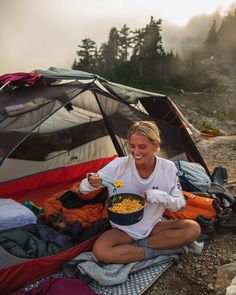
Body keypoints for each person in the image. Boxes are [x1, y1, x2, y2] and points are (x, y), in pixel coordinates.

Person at [79, 121, 201, 264]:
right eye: (132, 146)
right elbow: (83, 188)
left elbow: (180, 205)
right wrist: (91, 182)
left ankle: (136, 250)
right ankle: (156, 250)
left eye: (142, 146)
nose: (136, 152)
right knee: (100, 251)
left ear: (156, 145)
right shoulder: (119, 165)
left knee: (193, 229)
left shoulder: (168, 168)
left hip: (153, 226)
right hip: (123, 229)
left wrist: (158, 196)